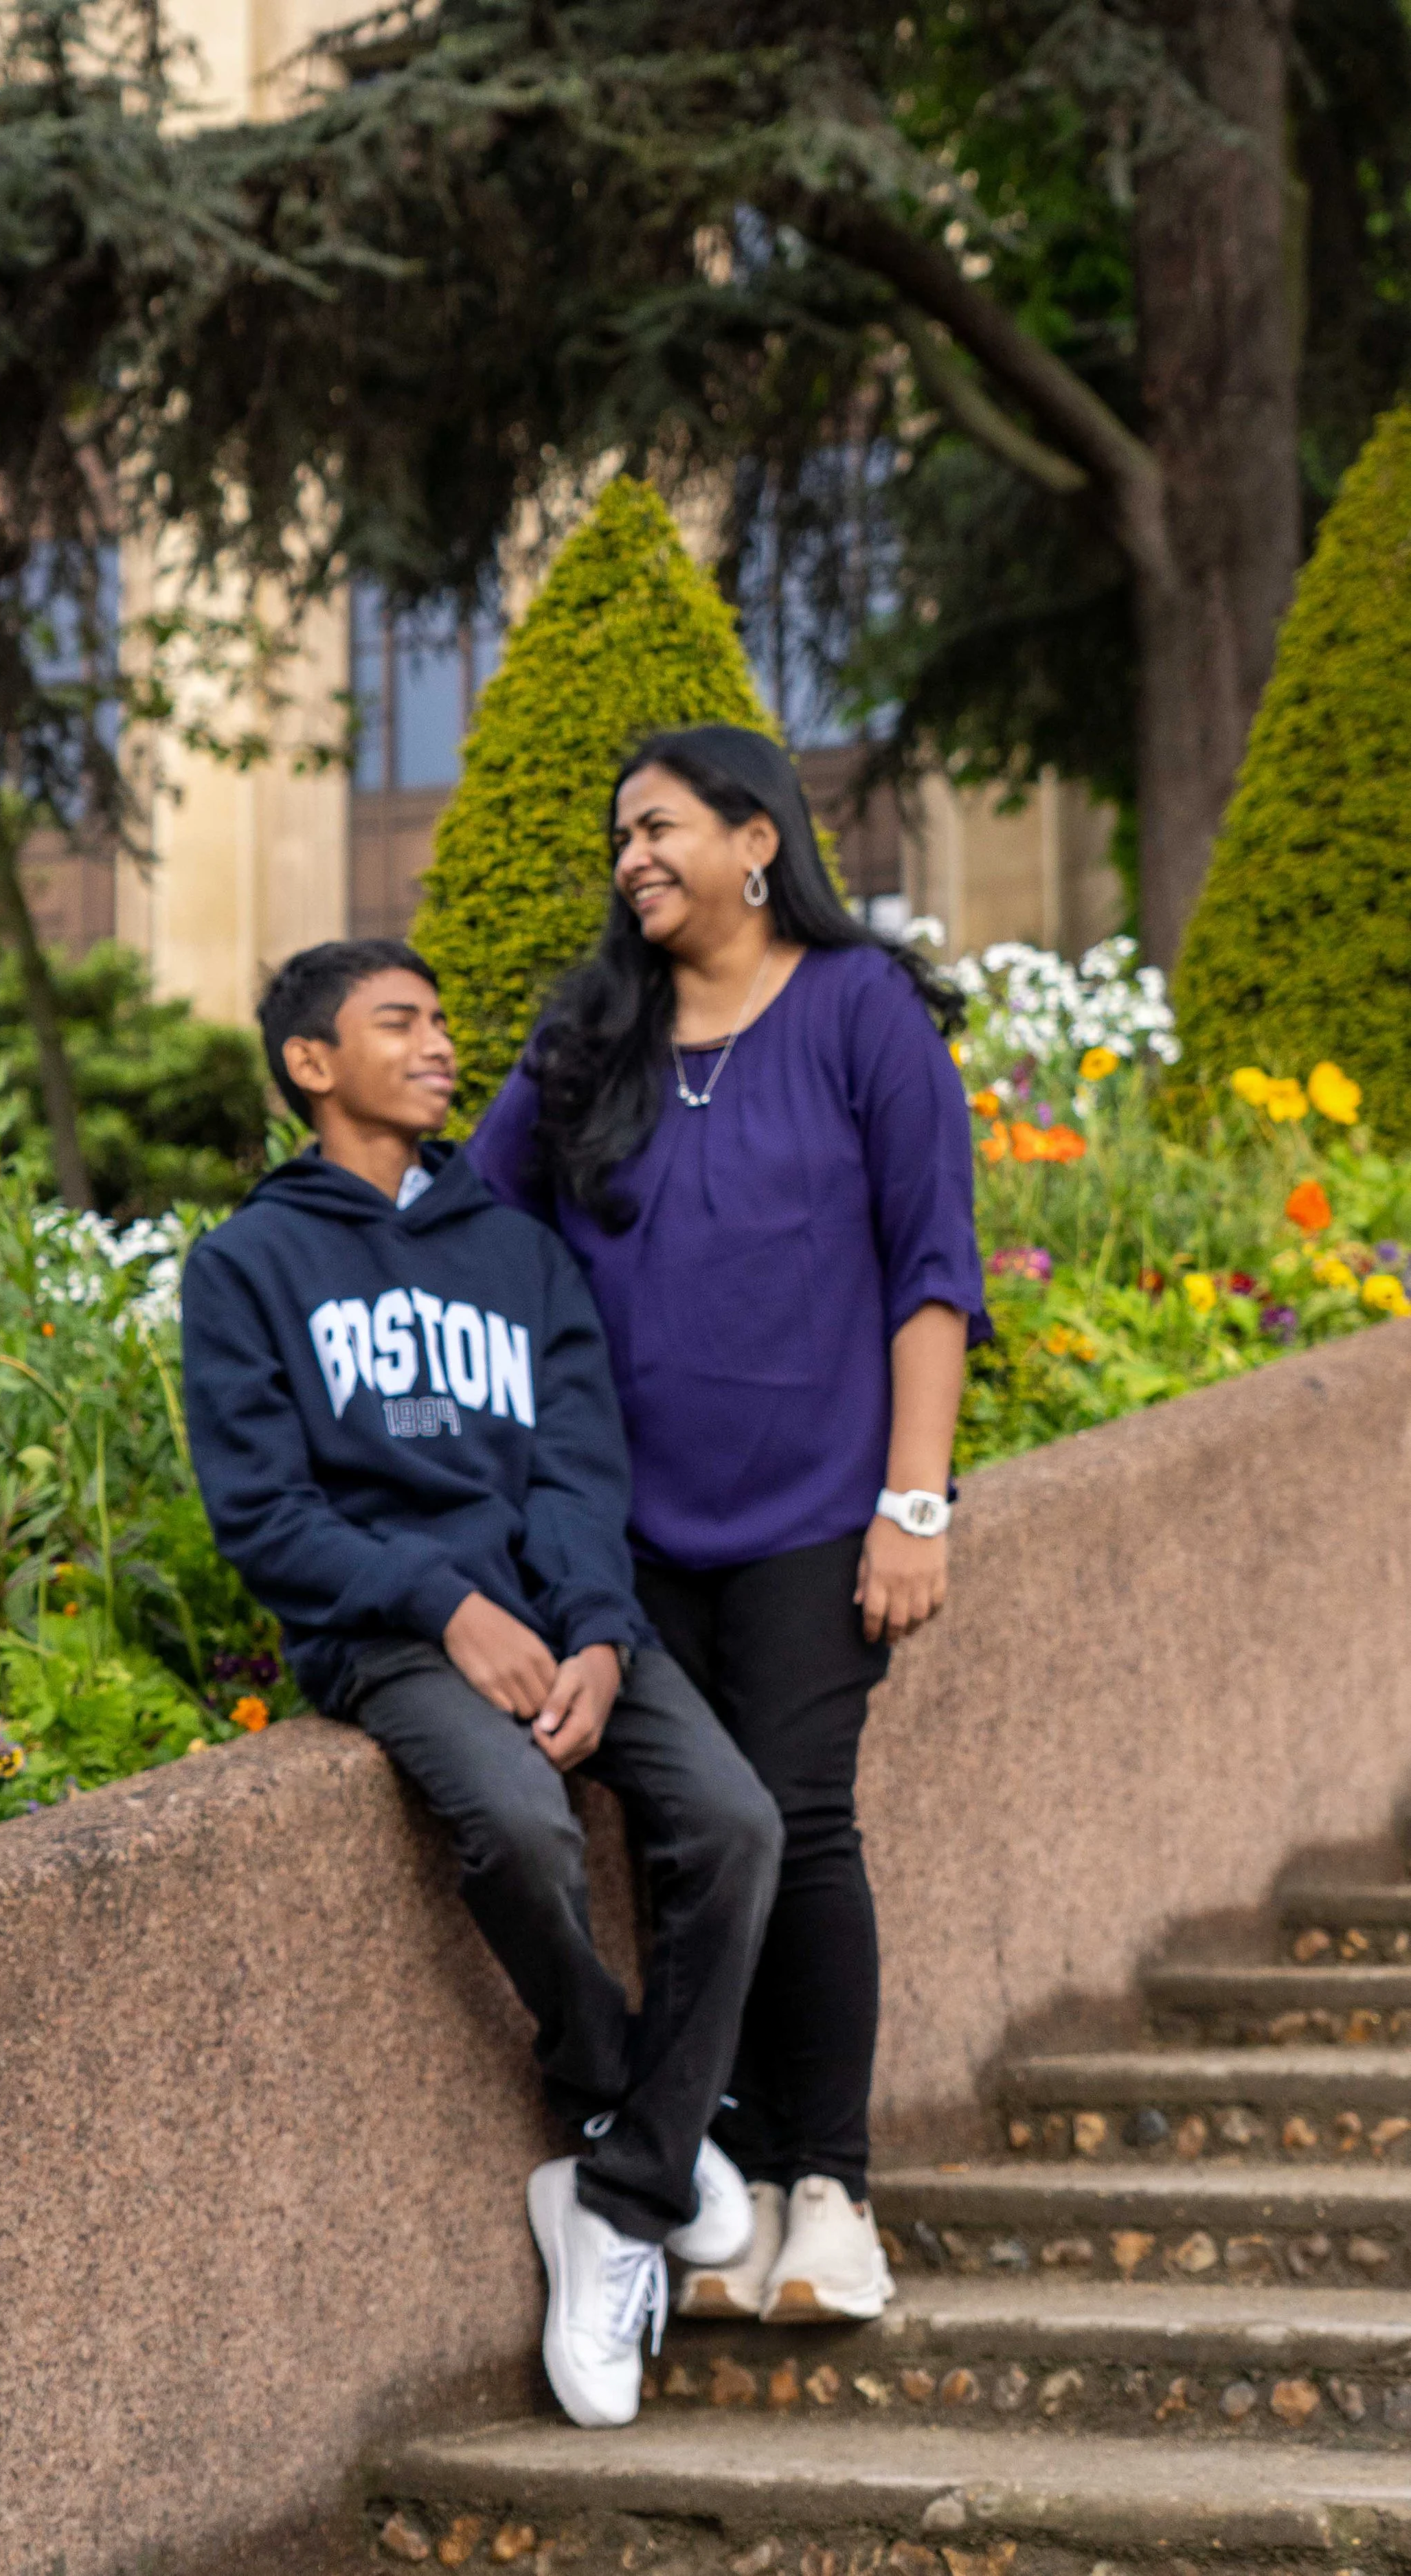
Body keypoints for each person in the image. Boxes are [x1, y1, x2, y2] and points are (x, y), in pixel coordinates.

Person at [180, 936, 784, 2428]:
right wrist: (444, 1604)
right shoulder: (247, 1265)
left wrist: (587, 1626)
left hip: (563, 1616)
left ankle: (614, 2192)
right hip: (392, 1634)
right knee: (519, 1823)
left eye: (443, 1021)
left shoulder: (515, 1251)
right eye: (401, 1023)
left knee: (735, 1822)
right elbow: (265, 1519)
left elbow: (579, 1465)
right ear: (312, 1065)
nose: (442, 1045)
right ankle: (625, 2108)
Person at [468, 727, 988, 2326]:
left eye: (659, 828)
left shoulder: (856, 1011)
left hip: (814, 1520)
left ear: (757, 841)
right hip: (621, 1541)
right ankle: (731, 2188)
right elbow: (477, 1238)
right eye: (617, 838)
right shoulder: (586, 1039)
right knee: (695, 1844)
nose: (630, 859)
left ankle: (828, 2192)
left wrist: (910, 1503)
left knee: (797, 1818)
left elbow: (930, 1270)